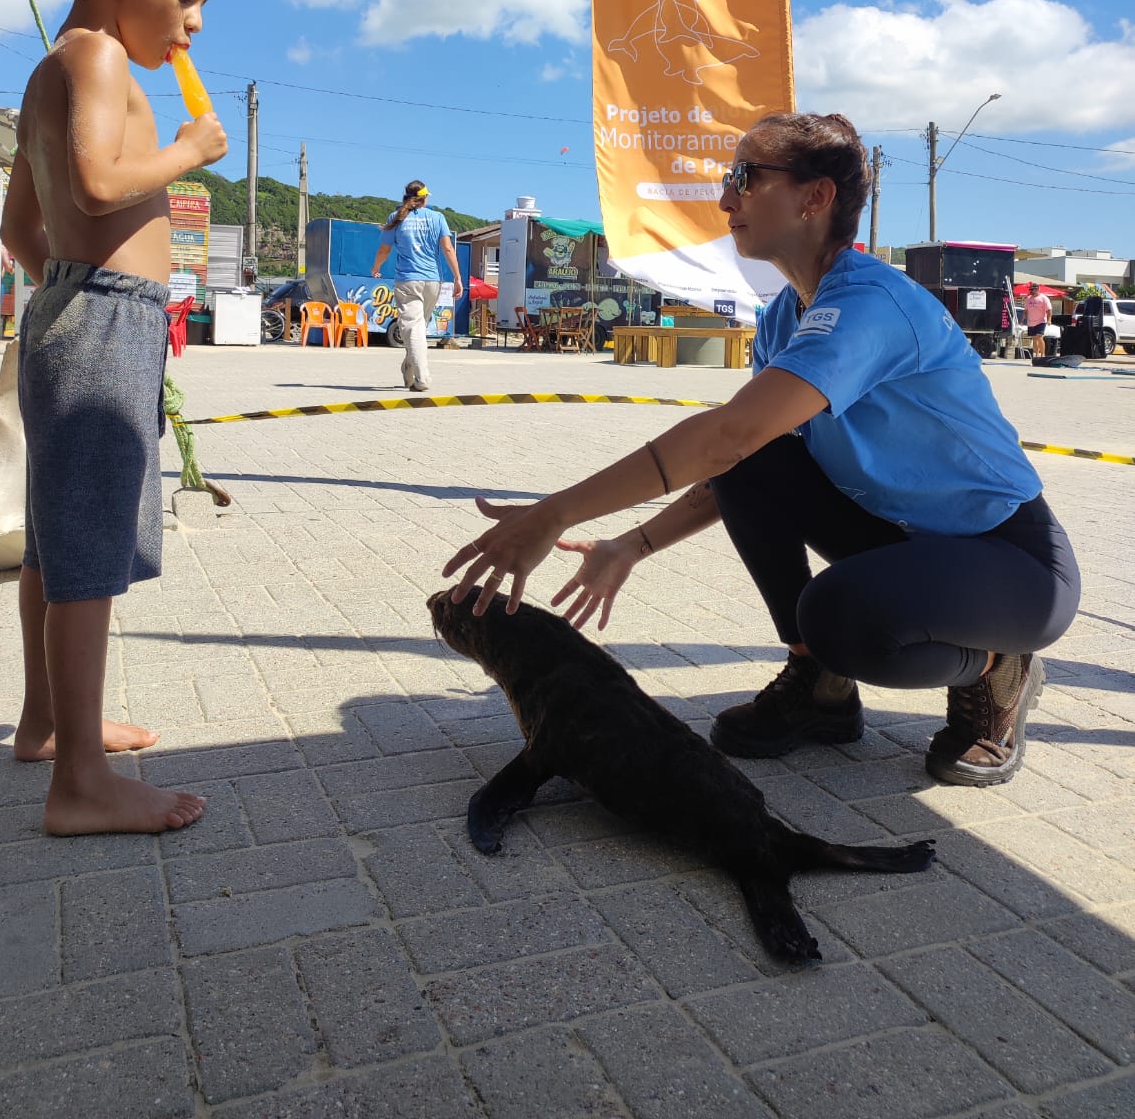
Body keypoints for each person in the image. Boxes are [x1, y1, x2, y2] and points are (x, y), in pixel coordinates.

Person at [442, 113, 1081, 788]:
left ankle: (997, 671)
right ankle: (819, 685)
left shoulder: (873, 303)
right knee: (762, 467)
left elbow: (727, 434)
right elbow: (738, 460)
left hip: (1010, 561)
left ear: (815, 197)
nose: (724, 200)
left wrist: (553, 514)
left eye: (744, 178)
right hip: (905, 541)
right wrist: (630, 544)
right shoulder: (783, 317)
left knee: (841, 614)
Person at [0, 0, 229, 834]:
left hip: (72, 307)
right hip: (107, 318)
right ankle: (81, 784)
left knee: (56, 543)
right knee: (89, 549)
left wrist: (72, 285)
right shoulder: (99, 61)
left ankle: (47, 724)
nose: (193, 25)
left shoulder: (48, 67)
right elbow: (94, 186)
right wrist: (189, 150)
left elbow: (21, 225)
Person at [371, 180, 463, 393]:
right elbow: (448, 249)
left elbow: (384, 250)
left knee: (413, 329)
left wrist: (376, 267)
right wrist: (457, 277)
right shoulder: (437, 218)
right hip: (432, 281)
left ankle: (421, 378)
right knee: (418, 329)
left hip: (407, 280)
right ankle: (408, 370)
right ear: (425, 198)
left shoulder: (396, 218)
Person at [1023, 281, 1052, 359]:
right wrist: (1023, 319)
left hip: (1041, 321)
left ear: (1037, 289)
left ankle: (1042, 355)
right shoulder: (1028, 299)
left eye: (1033, 289)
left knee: (1039, 337)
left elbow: (1049, 310)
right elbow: (1025, 310)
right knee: (1034, 339)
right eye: (1030, 289)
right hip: (1031, 322)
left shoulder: (1044, 298)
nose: (1031, 291)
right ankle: (1036, 356)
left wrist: (1049, 319)